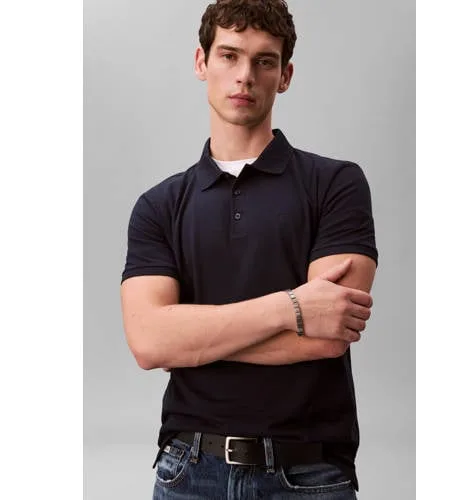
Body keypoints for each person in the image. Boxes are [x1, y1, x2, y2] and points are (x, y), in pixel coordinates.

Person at [120, 1, 378, 498]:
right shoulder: (158, 205)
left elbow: (328, 334)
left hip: (307, 474)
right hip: (187, 471)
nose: (245, 76)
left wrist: (190, 339)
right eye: (229, 55)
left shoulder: (336, 184)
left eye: (264, 61)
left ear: (285, 76)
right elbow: (149, 343)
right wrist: (292, 307)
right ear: (202, 62)